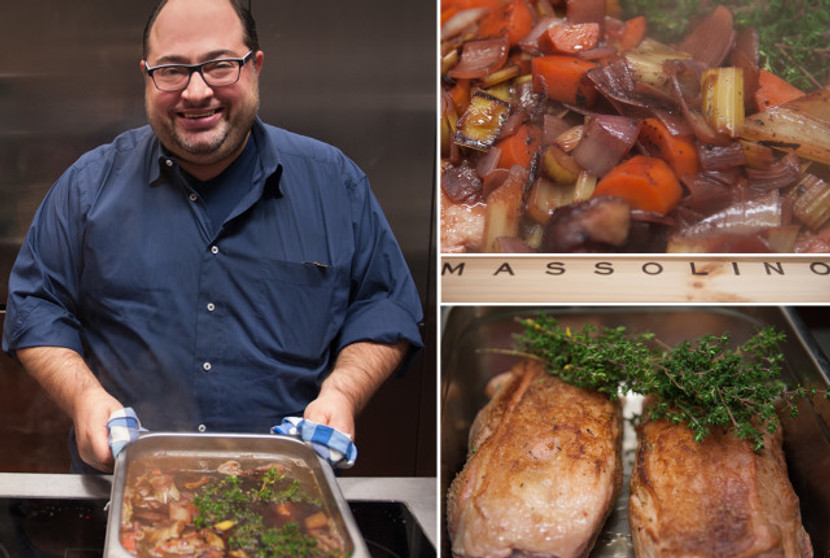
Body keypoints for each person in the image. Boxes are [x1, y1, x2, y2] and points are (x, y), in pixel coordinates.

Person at [2, 0, 423, 474]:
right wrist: (83, 396)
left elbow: (384, 306)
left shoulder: (334, 183)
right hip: (128, 491)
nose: (196, 92)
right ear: (146, 75)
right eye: (172, 70)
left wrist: (343, 391)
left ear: (255, 66)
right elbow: (36, 304)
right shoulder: (87, 186)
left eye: (220, 66)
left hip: (285, 495)